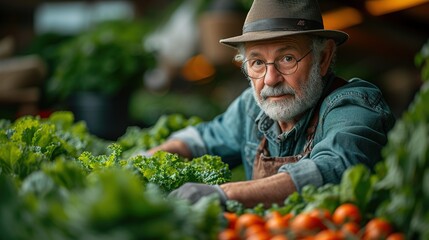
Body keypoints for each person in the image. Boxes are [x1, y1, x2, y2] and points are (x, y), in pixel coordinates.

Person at [145, 0, 395, 208]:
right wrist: (142, 161)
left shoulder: (353, 104)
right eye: (256, 63)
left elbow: (334, 167)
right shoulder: (250, 108)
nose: (270, 79)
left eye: (287, 58)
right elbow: (202, 138)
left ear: (323, 58)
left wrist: (226, 193)